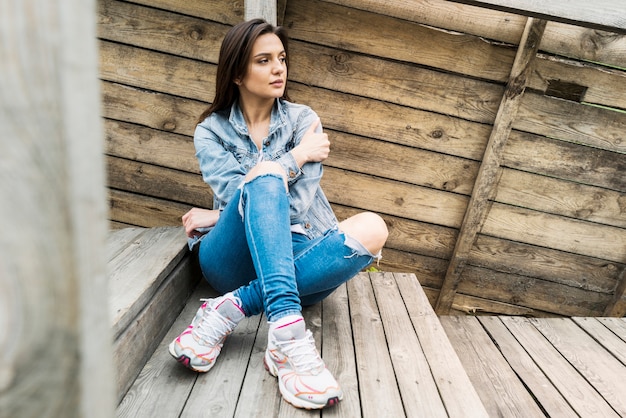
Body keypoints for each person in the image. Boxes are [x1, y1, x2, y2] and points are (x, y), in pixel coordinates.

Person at [168, 18, 388, 410]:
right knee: (266, 175)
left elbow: (298, 206)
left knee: (374, 227)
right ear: (237, 72)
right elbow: (238, 194)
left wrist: (217, 214)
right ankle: (290, 337)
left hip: (295, 247)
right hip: (230, 258)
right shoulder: (211, 131)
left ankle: (238, 308)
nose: (278, 69)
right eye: (264, 60)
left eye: (282, 59)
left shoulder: (303, 119)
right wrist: (296, 156)